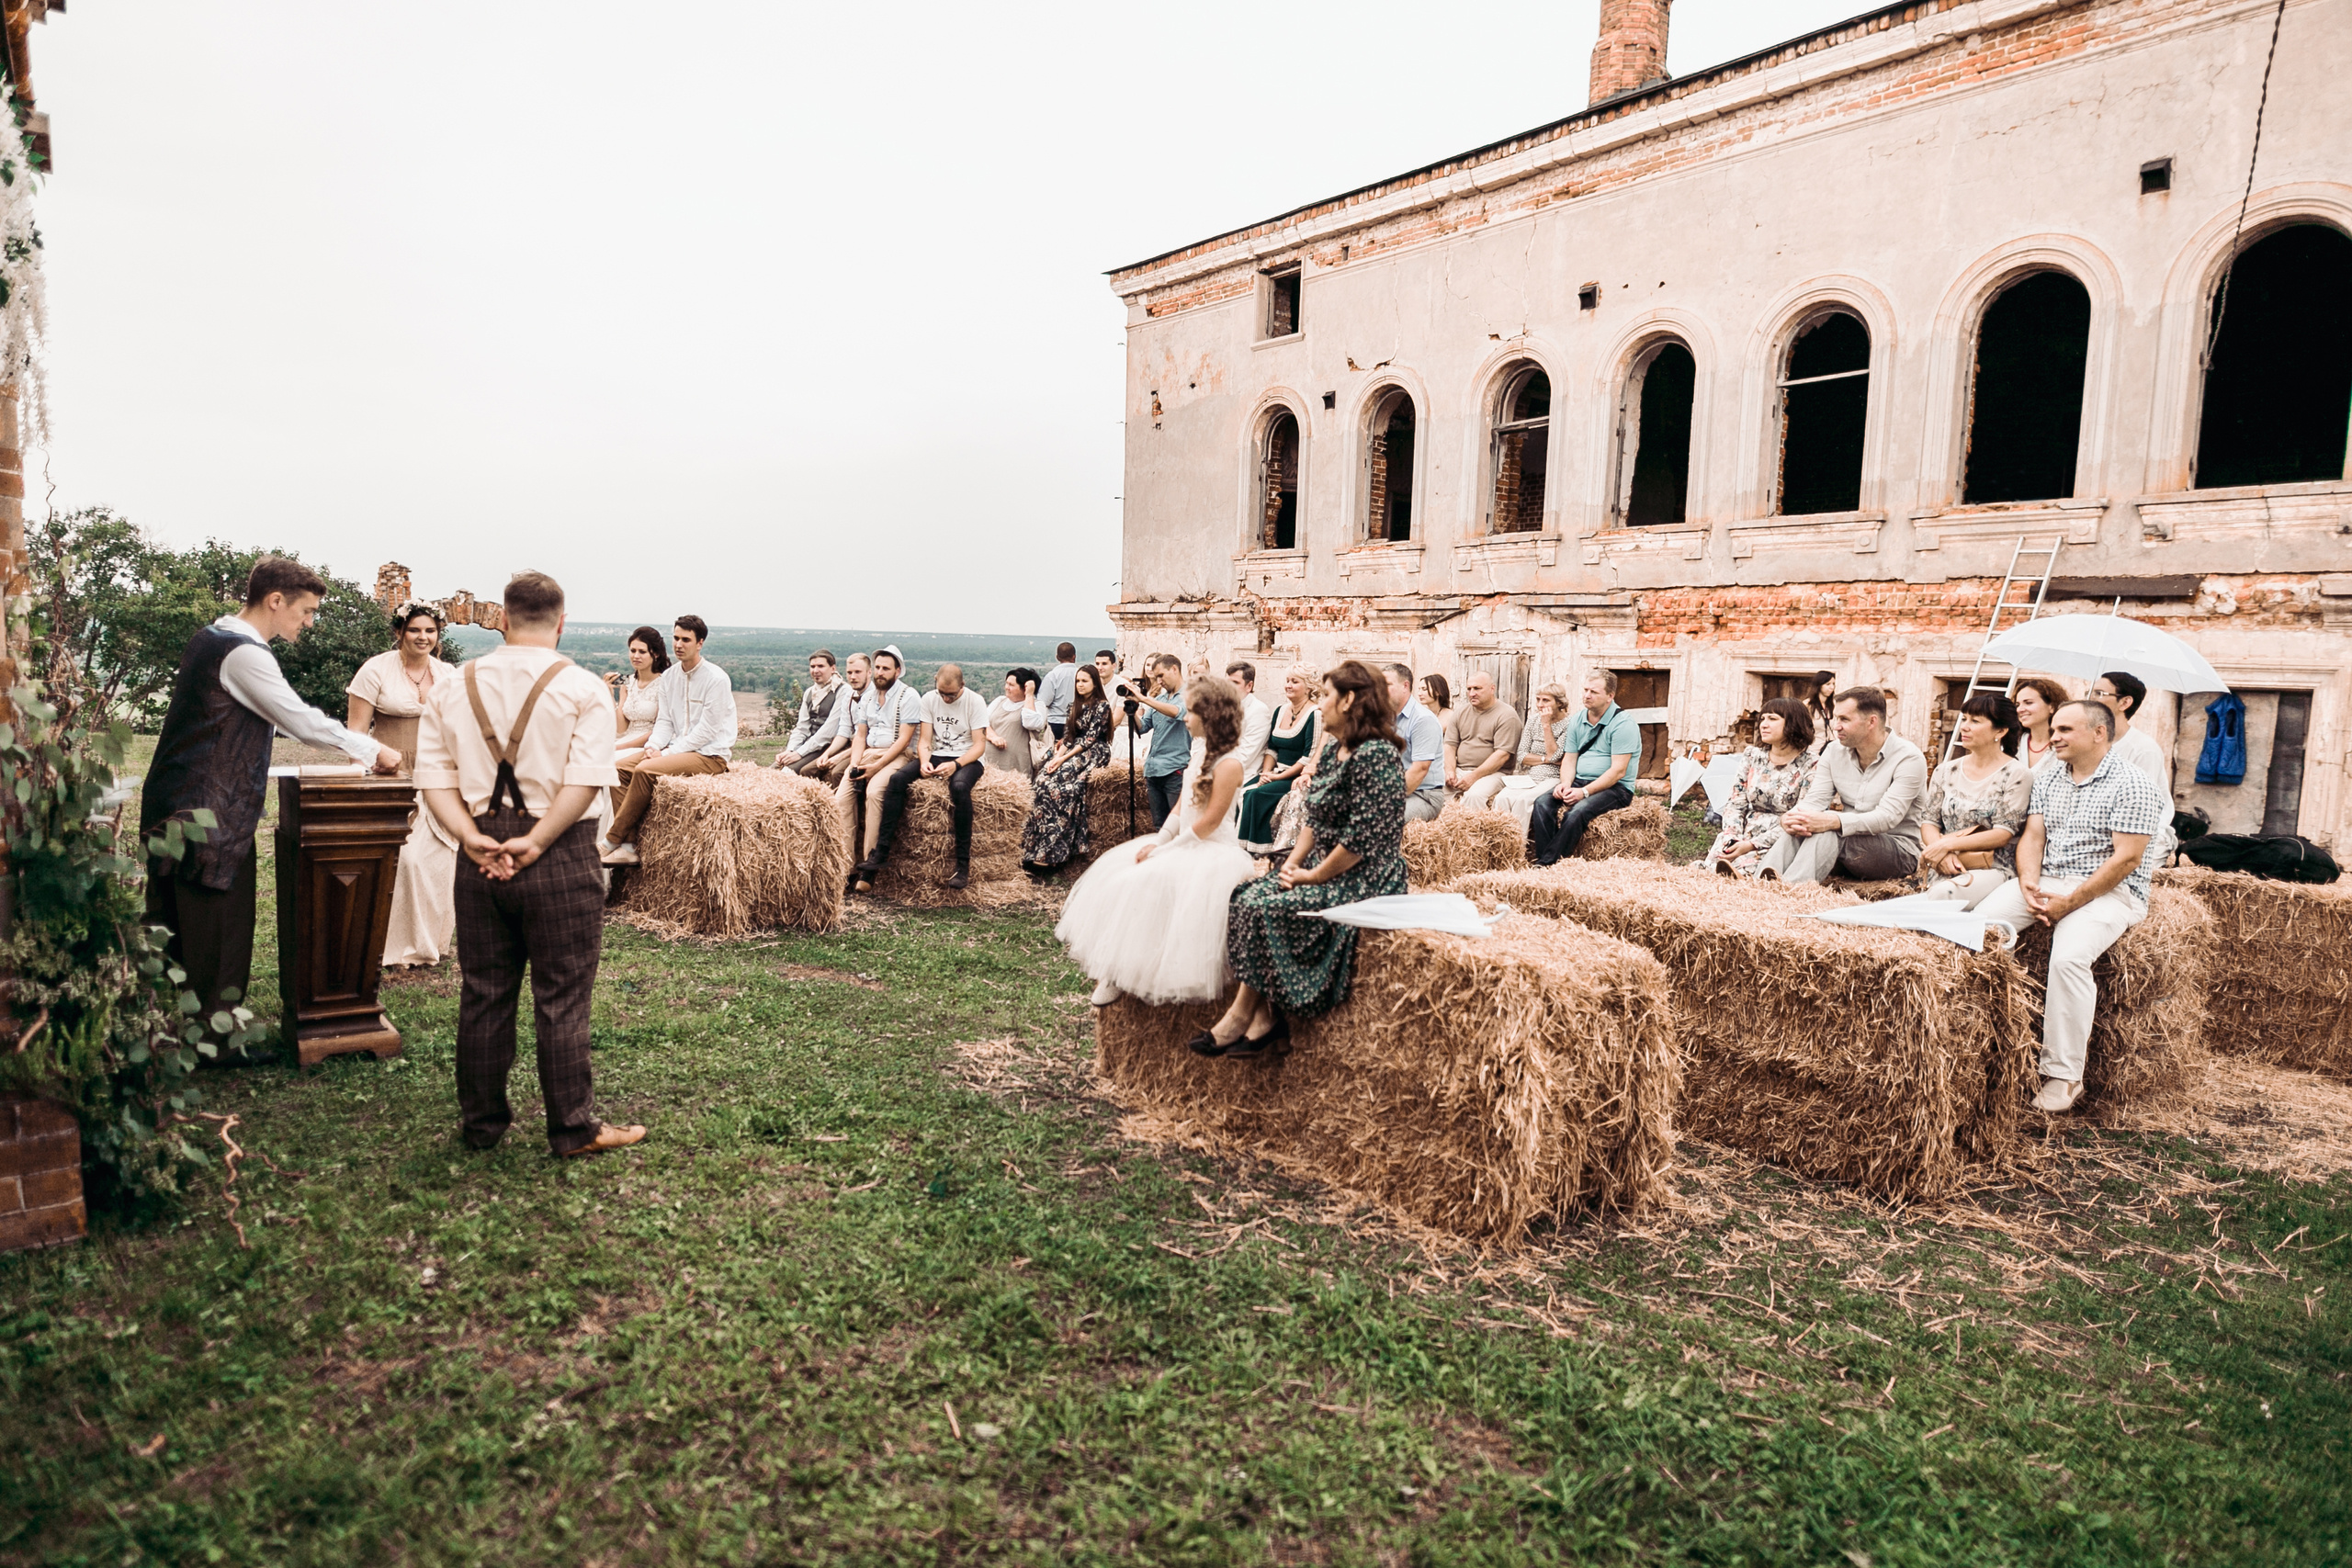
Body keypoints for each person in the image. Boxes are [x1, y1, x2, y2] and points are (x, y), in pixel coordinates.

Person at [415, 570, 643, 1158]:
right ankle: (573, 1128)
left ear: (502, 619)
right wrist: (537, 842)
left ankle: (481, 1125)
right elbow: (585, 781)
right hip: (560, 850)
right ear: (561, 622)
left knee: (484, 992)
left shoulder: (453, 684)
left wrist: (470, 837)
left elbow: (434, 779)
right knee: (562, 994)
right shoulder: (584, 688)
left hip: (479, 852)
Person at [140, 558, 401, 1030]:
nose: (309, 622)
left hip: (176, 799)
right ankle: (214, 1044)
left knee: (179, 925)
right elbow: (297, 719)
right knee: (217, 926)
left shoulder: (211, 636)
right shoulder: (244, 654)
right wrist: (371, 748)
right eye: (306, 611)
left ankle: (172, 1029)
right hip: (209, 810)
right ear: (275, 600)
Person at [1206, 660, 1410, 1055]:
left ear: (1348, 701)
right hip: (1320, 863)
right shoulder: (1335, 749)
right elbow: (1313, 819)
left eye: (1327, 695)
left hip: (1363, 875)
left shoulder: (1378, 756)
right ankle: (1261, 1018)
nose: (1321, 704)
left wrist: (1313, 876)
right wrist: (1292, 863)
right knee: (1245, 897)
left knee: (1269, 907)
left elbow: (1360, 841)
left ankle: (1246, 1018)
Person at [1974, 700, 2168, 1114]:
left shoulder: (2133, 784)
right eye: (2055, 728)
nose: (2054, 737)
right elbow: (2034, 836)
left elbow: (2127, 859)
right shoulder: (2049, 777)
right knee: (1977, 930)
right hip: (2047, 879)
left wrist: (2070, 904)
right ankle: (1981, 1045)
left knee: (2068, 960)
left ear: (2099, 733)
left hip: (2111, 891)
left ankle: (2064, 1076)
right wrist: (2028, 881)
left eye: (2065, 730)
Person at [1057, 677, 1256, 1007]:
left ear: (1210, 716)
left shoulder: (1230, 763)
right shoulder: (1199, 752)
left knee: (1153, 880)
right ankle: (1119, 969)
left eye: (1191, 712)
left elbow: (1210, 821)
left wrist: (1169, 849)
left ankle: (1141, 973)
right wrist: (1162, 838)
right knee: (1125, 877)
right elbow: (1182, 807)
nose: (1186, 717)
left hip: (1212, 849)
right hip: (1184, 841)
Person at [347, 603, 458, 967]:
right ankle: (391, 944)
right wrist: (360, 776)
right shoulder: (375, 670)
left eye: (430, 631)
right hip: (390, 772)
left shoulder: (447, 674)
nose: (423, 637)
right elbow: (356, 733)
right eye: (414, 630)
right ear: (399, 632)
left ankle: (430, 944)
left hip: (438, 774)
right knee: (405, 858)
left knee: (440, 859)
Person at [1757, 685, 1928, 885]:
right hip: (1844, 849)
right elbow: (1815, 800)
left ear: (1871, 721)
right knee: (1803, 825)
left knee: (1831, 829)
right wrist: (1792, 817)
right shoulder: (1833, 751)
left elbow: (1887, 818)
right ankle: (1759, 884)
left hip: (1897, 852)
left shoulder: (1909, 758)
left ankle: (1792, 889)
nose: (1836, 726)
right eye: (1836, 718)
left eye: (1844, 719)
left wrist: (1833, 821)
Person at [601, 615, 734, 865]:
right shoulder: (670, 677)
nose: (679, 644)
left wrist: (666, 753)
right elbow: (664, 722)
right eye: (676, 638)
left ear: (700, 643)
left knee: (644, 770)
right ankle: (628, 846)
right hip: (676, 748)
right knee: (619, 769)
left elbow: (706, 731)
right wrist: (653, 746)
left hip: (709, 754)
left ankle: (610, 840)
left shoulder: (716, 678)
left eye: (686, 640)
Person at [1915, 693, 2034, 908]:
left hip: (1992, 867)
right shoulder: (1945, 770)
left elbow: (2002, 833)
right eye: (1964, 719)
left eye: (1975, 721)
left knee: (1943, 895)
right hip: (1945, 862)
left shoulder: (2017, 774)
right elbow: (1929, 822)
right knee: (1933, 897)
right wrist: (1942, 855)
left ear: (2000, 731)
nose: (1965, 727)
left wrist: (1945, 845)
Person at [1528, 671, 1642, 866]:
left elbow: (1618, 771)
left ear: (1610, 696)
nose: (1587, 695)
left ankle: (1546, 864)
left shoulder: (1624, 724)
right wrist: (1565, 783)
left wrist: (1584, 792)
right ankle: (1548, 862)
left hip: (1616, 788)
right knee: (1542, 803)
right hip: (1580, 780)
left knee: (1577, 812)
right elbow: (1570, 758)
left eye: (1594, 692)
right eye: (1586, 690)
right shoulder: (1578, 719)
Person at [1698, 697, 1816, 877]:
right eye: (1762, 719)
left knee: (1744, 875)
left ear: (1794, 723)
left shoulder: (1812, 764)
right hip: (1743, 833)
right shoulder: (1752, 755)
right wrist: (1732, 836)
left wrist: (1751, 845)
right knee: (1711, 871)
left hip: (1782, 838)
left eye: (1772, 719)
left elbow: (1801, 819)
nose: (1764, 725)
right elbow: (1736, 802)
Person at [900, 662, 991, 890]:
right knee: (897, 780)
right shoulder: (929, 699)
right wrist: (924, 762)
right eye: (942, 693)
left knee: (959, 787)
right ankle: (882, 852)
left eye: (951, 695)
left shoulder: (975, 701)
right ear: (935, 682)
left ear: (963, 685)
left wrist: (956, 764)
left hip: (968, 757)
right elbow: (925, 740)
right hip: (938, 754)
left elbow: (979, 746)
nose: (946, 699)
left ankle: (962, 866)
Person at [842, 646, 926, 892]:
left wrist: (875, 767)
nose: (880, 672)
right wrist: (855, 763)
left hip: (898, 754)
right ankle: (846, 866)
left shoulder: (909, 696)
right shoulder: (868, 697)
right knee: (841, 799)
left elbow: (904, 741)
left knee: (875, 793)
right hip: (869, 751)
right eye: (877, 667)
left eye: (886, 668)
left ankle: (869, 866)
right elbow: (860, 735)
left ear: (898, 671)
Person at [1021, 665, 1114, 875]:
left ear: (1095, 683)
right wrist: (1056, 758)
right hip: (1071, 750)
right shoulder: (1074, 705)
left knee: (1062, 789)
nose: (1080, 685)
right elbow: (1069, 737)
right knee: (1042, 781)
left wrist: (1064, 758)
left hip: (1093, 751)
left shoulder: (1102, 706)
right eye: (1078, 681)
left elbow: (1089, 739)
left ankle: (1055, 853)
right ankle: (1034, 849)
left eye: (1085, 681)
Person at [2092, 669, 2179, 867]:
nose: (2090, 699)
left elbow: (2139, 811)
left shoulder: (2143, 749)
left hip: (2139, 835)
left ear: (2124, 703)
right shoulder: (2089, 743)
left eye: (2099, 693)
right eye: (2090, 692)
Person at [1465, 682, 1569, 834]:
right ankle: (1499, 841)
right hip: (1531, 776)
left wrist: (1546, 726)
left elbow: (1554, 755)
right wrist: (1546, 759)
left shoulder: (1569, 724)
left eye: (1546, 700)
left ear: (1559, 702)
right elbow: (1522, 756)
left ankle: (1518, 844)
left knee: (1523, 801)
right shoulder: (1533, 720)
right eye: (1538, 699)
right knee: (1502, 798)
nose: (1540, 705)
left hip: (1554, 777)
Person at [1237, 665, 1320, 852]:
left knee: (1255, 795)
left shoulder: (1315, 714)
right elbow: (1272, 749)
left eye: (1294, 682)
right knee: (1240, 791)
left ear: (1309, 687)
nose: (1288, 685)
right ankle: (1238, 849)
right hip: (1275, 772)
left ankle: (1260, 851)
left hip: (1296, 776)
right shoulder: (1280, 711)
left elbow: (1308, 757)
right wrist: (1266, 773)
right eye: (1287, 681)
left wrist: (1278, 777)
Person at [1121, 653, 1192, 829]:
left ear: (1174, 669)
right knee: (1159, 826)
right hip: (1153, 770)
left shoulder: (1191, 695)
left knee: (1178, 825)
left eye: (1161, 675)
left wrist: (1145, 699)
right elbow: (1143, 728)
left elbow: (1177, 712)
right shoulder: (1159, 699)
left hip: (1175, 769)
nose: (1158, 681)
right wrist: (1132, 711)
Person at [1442, 670, 1522, 806]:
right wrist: (1450, 771)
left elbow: (1502, 755)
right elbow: (1449, 745)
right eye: (1469, 689)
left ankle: (1469, 821)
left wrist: (1473, 776)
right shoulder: (1461, 712)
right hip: (1460, 770)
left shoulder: (1507, 715)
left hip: (1494, 774)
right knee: (1431, 788)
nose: (1472, 693)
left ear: (1492, 689)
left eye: (1477, 688)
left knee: (1474, 796)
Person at [773, 649, 854, 775]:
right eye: (812, 666)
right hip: (809, 745)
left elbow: (829, 730)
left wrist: (800, 753)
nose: (815, 670)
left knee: (787, 772)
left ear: (833, 668)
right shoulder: (810, 692)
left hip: (829, 746)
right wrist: (791, 750)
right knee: (772, 770)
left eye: (821, 666)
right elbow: (802, 727)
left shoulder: (843, 691)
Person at [1385, 663, 1446, 822]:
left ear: (1405, 686)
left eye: (1387, 684)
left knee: (1382, 821)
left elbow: (1420, 769)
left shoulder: (1422, 720)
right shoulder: (1386, 718)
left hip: (1423, 795)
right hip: (1394, 790)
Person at [608, 626, 669, 762]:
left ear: (656, 654)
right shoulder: (628, 683)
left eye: (642, 652)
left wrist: (618, 747)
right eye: (633, 651)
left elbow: (661, 729)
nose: (636, 656)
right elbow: (621, 728)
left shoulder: (664, 685)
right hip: (625, 740)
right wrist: (610, 695)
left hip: (649, 744)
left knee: (609, 760)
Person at [982, 666, 1048, 779]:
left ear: (1024, 688)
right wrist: (994, 738)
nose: (1006, 687)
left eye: (1011, 685)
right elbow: (983, 723)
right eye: (1007, 683)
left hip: (1015, 768)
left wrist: (1029, 695)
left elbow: (1030, 723)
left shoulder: (1037, 705)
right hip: (989, 763)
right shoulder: (999, 701)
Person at [1225, 661, 1274, 782]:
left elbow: (1244, 756)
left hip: (1242, 777)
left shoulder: (1259, 711)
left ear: (1249, 686)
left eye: (1235, 683)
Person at [2011, 675, 2068, 773]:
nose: (2020, 709)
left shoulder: (2066, 744)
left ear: (2052, 707)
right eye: (2017, 705)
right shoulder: (2012, 743)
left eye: (2028, 703)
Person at [1040, 642, 1080, 741]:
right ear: (1074, 657)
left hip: (1055, 722)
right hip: (1078, 721)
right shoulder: (1081, 675)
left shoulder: (1052, 676)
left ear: (1057, 657)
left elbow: (1043, 702)